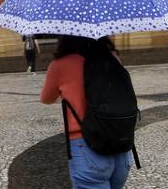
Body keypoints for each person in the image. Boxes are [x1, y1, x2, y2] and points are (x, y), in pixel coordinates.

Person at [40, 35, 133, 189]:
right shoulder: (112, 57)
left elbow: (46, 98)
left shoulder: (60, 65)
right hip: (120, 142)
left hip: (86, 146)